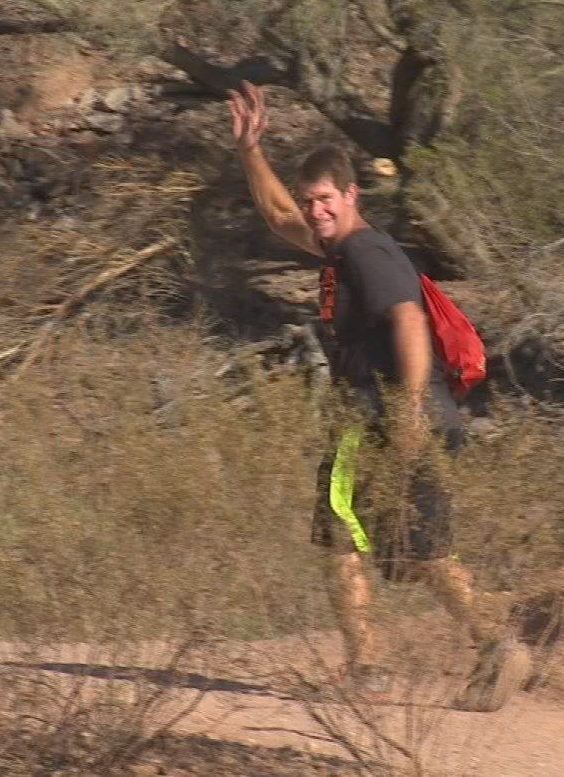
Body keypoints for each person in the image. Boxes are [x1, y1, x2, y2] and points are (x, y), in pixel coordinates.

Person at [226, 81, 530, 711]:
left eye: (325, 201)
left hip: (385, 415)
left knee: (338, 536)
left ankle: (368, 670)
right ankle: (496, 644)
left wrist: (409, 408)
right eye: (311, 203)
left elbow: (410, 321)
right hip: (405, 416)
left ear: (351, 194)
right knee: (418, 551)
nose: (314, 213)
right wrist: (250, 151)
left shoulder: (366, 251)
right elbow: (278, 218)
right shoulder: (338, 248)